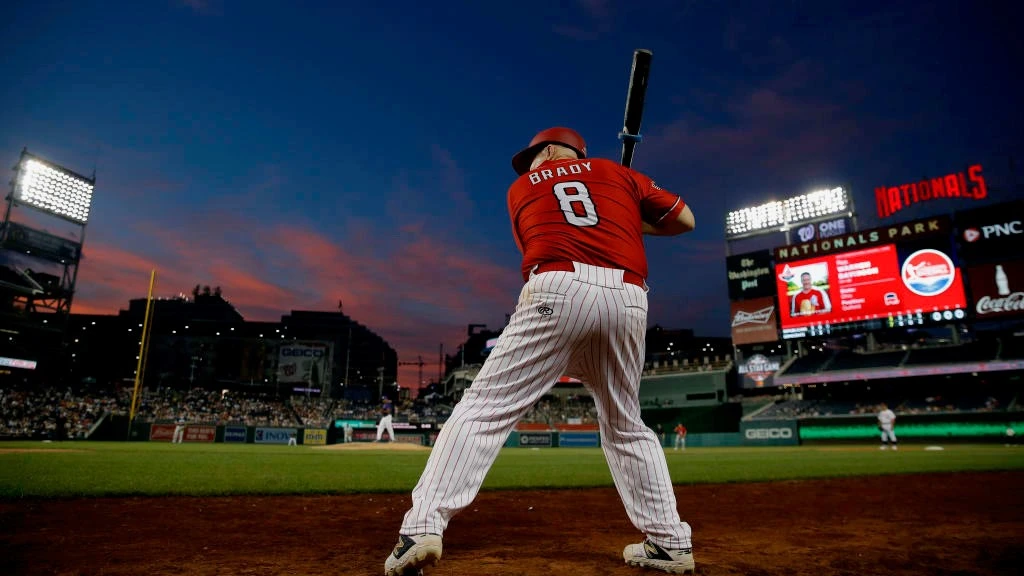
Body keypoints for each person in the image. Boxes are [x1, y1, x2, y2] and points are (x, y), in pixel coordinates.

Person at [384, 127, 697, 575]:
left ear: (549, 151)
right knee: (627, 426)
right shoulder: (618, 175)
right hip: (628, 298)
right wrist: (628, 214)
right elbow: (685, 220)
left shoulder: (521, 189)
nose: (528, 165)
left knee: (483, 410)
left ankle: (422, 528)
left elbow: (557, 229)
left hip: (558, 288)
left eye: (532, 156)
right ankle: (670, 542)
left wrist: (619, 213)